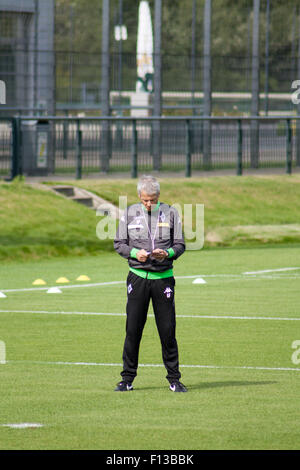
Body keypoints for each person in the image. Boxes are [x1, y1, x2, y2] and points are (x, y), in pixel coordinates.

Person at [113, 175, 187, 392]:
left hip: (163, 279)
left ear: (158, 196)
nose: (149, 204)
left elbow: (180, 244)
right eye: (145, 200)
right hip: (137, 278)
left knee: (167, 330)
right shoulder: (129, 214)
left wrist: (168, 253)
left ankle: (174, 379)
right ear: (139, 196)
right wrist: (136, 253)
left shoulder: (171, 213)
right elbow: (119, 244)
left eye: (153, 200)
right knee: (133, 330)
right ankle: (127, 379)